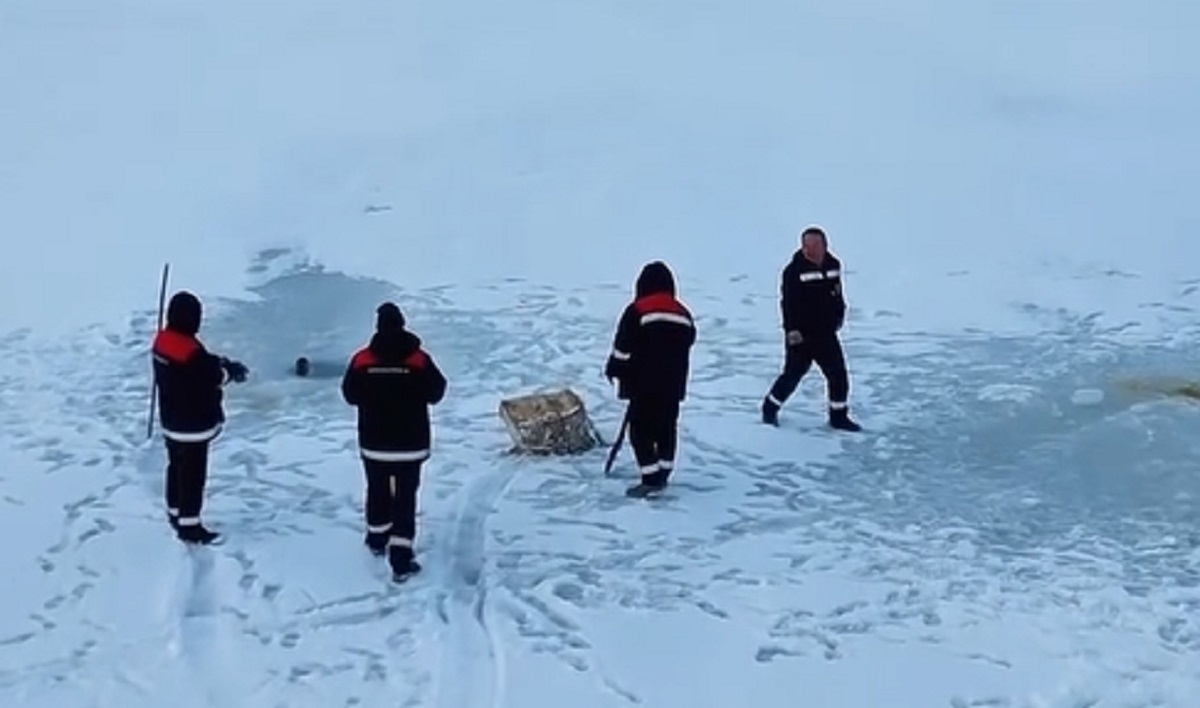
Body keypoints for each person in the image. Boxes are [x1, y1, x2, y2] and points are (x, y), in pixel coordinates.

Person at [342, 302, 447, 581]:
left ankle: (377, 539)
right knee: (405, 497)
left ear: (378, 327)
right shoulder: (419, 359)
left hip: (374, 444)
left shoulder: (362, 359)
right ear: (402, 324)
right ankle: (400, 556)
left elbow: (350, 395)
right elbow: (437, 392)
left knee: (377, 490)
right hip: (410, 446)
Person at [151, 290, 249, 544]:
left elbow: (200, 364)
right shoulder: (191, 352)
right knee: (193, 476)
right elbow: (212, 376)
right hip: (193, 426)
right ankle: (190, 526)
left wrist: (217, 361)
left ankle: (174, 511)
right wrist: (231, 371)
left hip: (171, 421)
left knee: (175, 467)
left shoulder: (161, 342)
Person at [605, 261, 697, 498]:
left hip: (643, 383)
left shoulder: (638, 310)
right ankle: (664, 471)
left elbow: (623, 346)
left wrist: (614, 369)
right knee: (666, 428)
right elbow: (689, 341)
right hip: (673, 385)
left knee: (640, 430)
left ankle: (650, 477)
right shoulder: (683, 313)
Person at [761, 225, 861, 431]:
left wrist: (839, 314)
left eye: (814, 245)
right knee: (793, 374)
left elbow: (837, 293)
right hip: (801, 335)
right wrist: (791, 330)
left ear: (824, 245)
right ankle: (769, 408)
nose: (809, 250)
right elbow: (788, 304)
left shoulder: (833, 265)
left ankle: (838, 417)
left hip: (826, 332)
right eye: (805, 245)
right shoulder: (793, 271)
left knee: (838, 375)